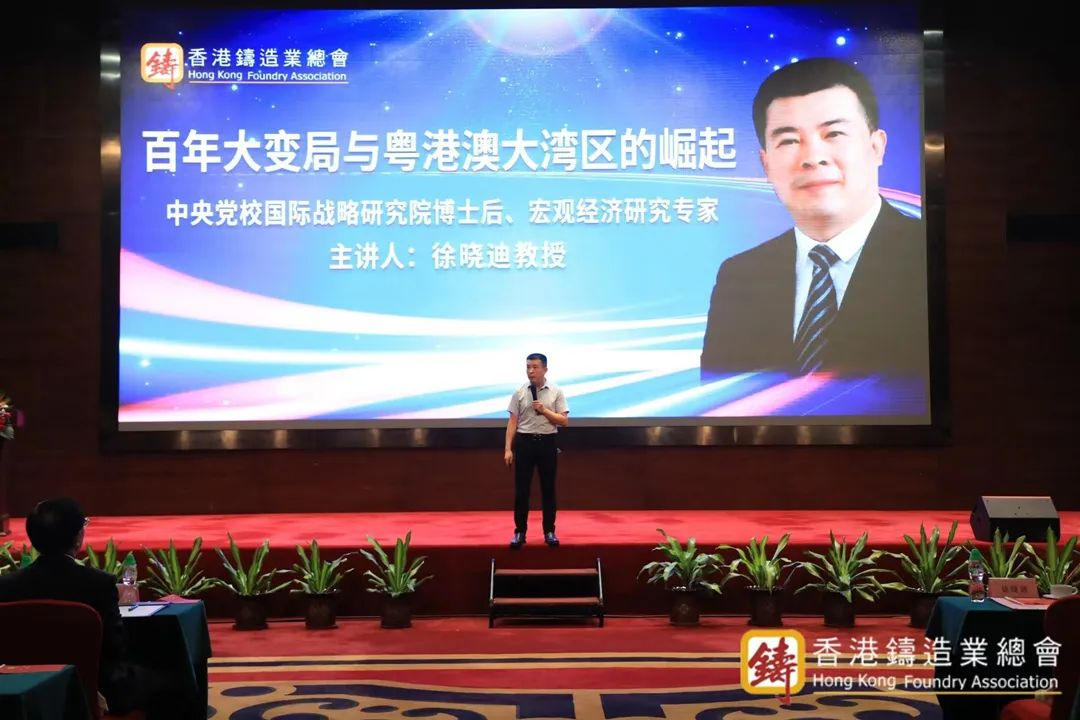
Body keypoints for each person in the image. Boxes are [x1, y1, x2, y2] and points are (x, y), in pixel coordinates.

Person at [701, 57, 928, 378]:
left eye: (834, 133)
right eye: (789, 140)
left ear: (876, 147)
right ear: (766, 165)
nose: (813, 157)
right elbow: (722, 399)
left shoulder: (928, 255)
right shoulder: (739, 277)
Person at [0, 498, 170, 717]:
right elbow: (114, 647)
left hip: (26, 689)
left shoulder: (7, 586)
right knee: (170, 679)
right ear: (78, 537)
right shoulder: (98, 583)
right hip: (95, 689)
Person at [504, 353, 569, 549]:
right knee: (521, 490)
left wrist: (544, 410)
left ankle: (549, 531)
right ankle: (520, 532)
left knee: (548, 489)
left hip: (547, 443)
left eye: (535, 367)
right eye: (528, 367)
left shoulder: (556, 391)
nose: (530, 371)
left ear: (545, 369)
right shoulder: (519, 392)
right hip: (524, 443)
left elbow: (564, 421)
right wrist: (508, 449)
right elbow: (512, 422)